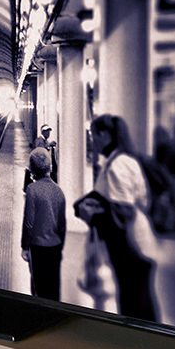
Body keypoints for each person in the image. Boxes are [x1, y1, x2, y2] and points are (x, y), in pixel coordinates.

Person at [74, 114, 157, 322]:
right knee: (138, 297)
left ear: (106, 135)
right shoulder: (122, 161)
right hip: (136, 243)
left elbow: (124, 211)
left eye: (94, 135)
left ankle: (142, 345)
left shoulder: (117, 166)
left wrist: (91, 217)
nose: (92, 141)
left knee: (134, 301)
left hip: (130, 245)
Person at [21, 147, 66, 300]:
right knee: (53, 287)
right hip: (55, 247)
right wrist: (60, 245)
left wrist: (25, 247)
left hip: (38, 247)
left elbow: (28, 223)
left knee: (38, 286)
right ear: (50, 167)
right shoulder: (58, 191)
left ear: (31, 169)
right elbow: (62, 224)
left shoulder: (32, 190)